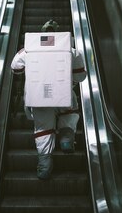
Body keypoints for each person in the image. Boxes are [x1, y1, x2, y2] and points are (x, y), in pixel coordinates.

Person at [10, 20, 87, 179]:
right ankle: (66, 138)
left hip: (38, 96)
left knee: (43, 128)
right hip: (64, 94)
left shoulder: (27, 51)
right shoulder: (72, 51)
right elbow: (80, 77)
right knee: (69, 113)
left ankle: (44, 165)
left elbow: (15, 68)